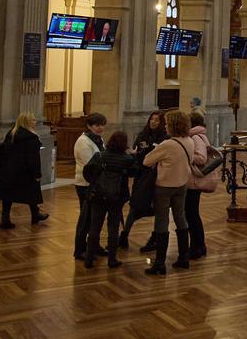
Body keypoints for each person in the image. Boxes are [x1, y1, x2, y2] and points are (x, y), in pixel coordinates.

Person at [142, 110, 196, 275]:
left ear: (172, 125)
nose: (165, 126)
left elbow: (147, 161)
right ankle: (183, 258)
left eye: (166, 123)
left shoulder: (168, 144)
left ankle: (159, 263)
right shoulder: (189, 141)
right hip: (182, 184)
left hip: (164, 186)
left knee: (161, 222)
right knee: (181, 219)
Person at [83, 130, 137, 268]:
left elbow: (87, 172)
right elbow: (135, 172)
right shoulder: (127, 160)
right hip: (116, 197)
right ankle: (112, 259)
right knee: (113, 229)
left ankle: (89, 259)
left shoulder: (99, 155)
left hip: (98, 196)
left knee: (94, 227)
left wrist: (95, 183)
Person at [0, 112, 48, 229]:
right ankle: (35, 214)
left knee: (7, 195)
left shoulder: (11, 134)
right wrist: (37, 174)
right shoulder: (31, 138)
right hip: (25, 171)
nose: (35, 122)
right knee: (32, 191)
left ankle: (5, 218)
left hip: (7, 169)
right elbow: (33, 159)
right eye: (33, 120)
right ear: (26, 122)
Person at [121, 110, 165, 250]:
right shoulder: (143, 134)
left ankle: (156, 237)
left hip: (156, 177)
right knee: (135, 205)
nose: (153, 122)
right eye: (152, 119)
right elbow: (137, 150)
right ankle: (124, 235)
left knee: (159, 209)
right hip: (141, 176)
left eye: (157, 120)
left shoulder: (165, 137)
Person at [73, 112, 108, 261]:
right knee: (86, 219)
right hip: (85, 184)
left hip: (97, 184)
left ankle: (94, 245)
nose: (100, 128)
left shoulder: (97, 139)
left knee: (97, 218)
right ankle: (79, 249)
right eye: (97, 125)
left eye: (102, 125)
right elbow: (90, 165)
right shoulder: (83, 142)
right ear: (89, 126)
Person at [185, 112, 217, 259]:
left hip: (194, 182)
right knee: (192, 214)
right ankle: (198, 245)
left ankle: (197, 247)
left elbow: (201, 158)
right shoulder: (197, 135)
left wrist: (185, 154)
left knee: (191, 215)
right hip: (192, 181)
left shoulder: (196, 137)